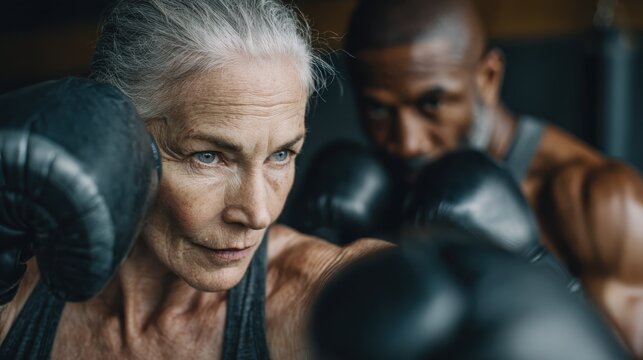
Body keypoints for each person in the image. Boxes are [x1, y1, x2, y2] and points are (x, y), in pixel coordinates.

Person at [0, 1, 632, 359]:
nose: (257, 211)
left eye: (282, 155)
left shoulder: (319, 301)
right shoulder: (16, 293)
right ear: (115, 136)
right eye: (209, 157)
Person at [344, 0, 643, 354]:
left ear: (488, 78)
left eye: (433, 103)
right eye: (378, 108)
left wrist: (540, 279)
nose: (407, 143)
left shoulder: (600, 201)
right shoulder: (364, 190)